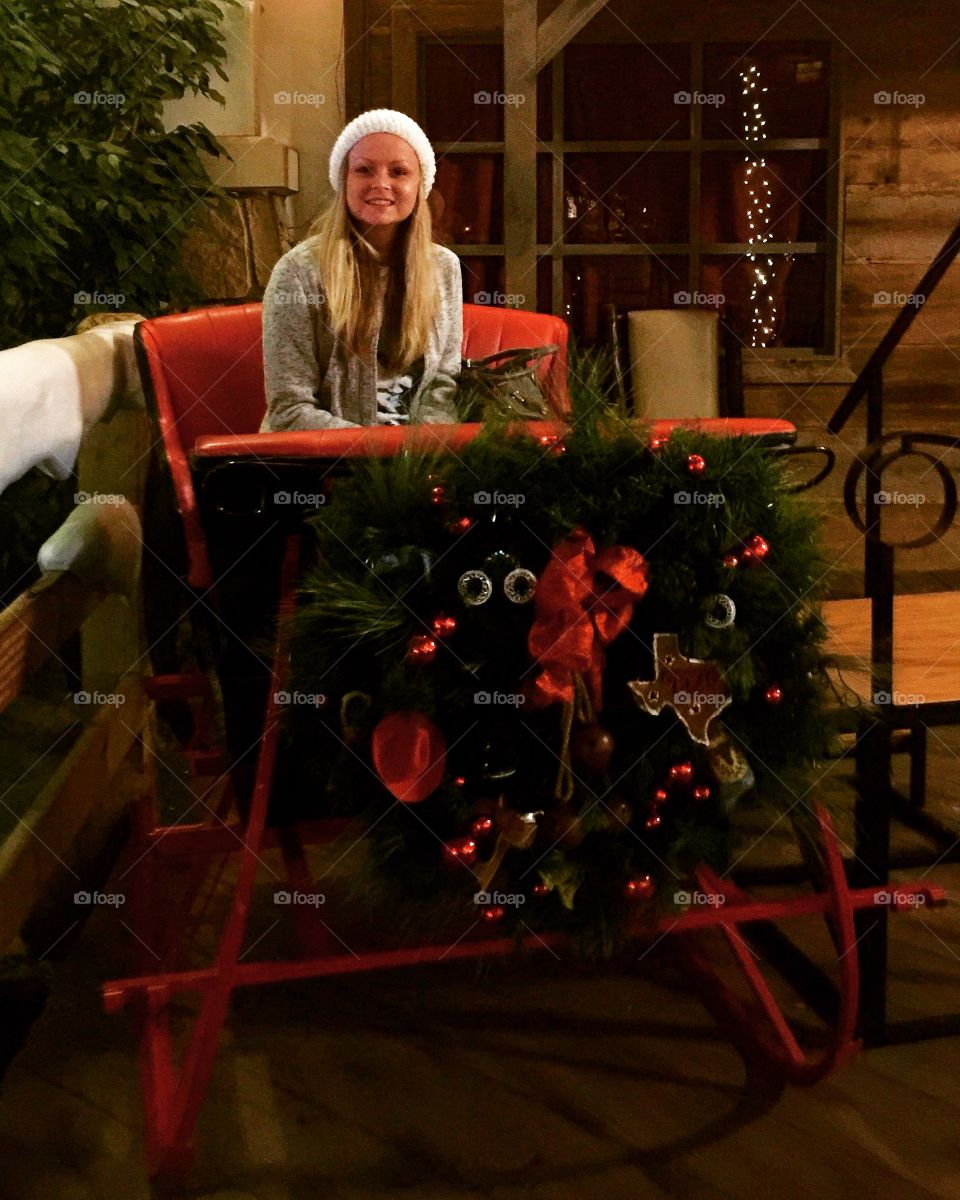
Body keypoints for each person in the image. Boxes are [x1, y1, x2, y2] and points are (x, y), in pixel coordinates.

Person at [261, 109, 462, 430]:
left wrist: (422, 457)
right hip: (326, 465)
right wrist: (374, 456)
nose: (381, 184)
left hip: (415, 461)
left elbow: (442, 387)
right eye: (364, 170)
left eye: (398, 172)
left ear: (420, 184)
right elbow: (290, 409)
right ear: (344, 181)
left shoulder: (444, 268)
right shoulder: (298, 272)